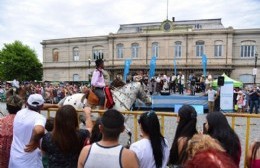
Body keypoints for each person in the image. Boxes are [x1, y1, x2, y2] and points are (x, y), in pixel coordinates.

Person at [9, 94, 46, 168]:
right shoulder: (39, 117)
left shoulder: (19, 113)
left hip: (15, 159)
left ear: (26, 103)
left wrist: (54, 105)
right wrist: (35, 141)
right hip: (30, 162)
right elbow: (39, 130)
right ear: (42, 106)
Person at [0, 91, 23, 168]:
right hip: (20, 159)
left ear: (7, 107)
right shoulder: (26, 123)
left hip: (3, 159)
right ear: (21, 107)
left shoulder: (1, 122)